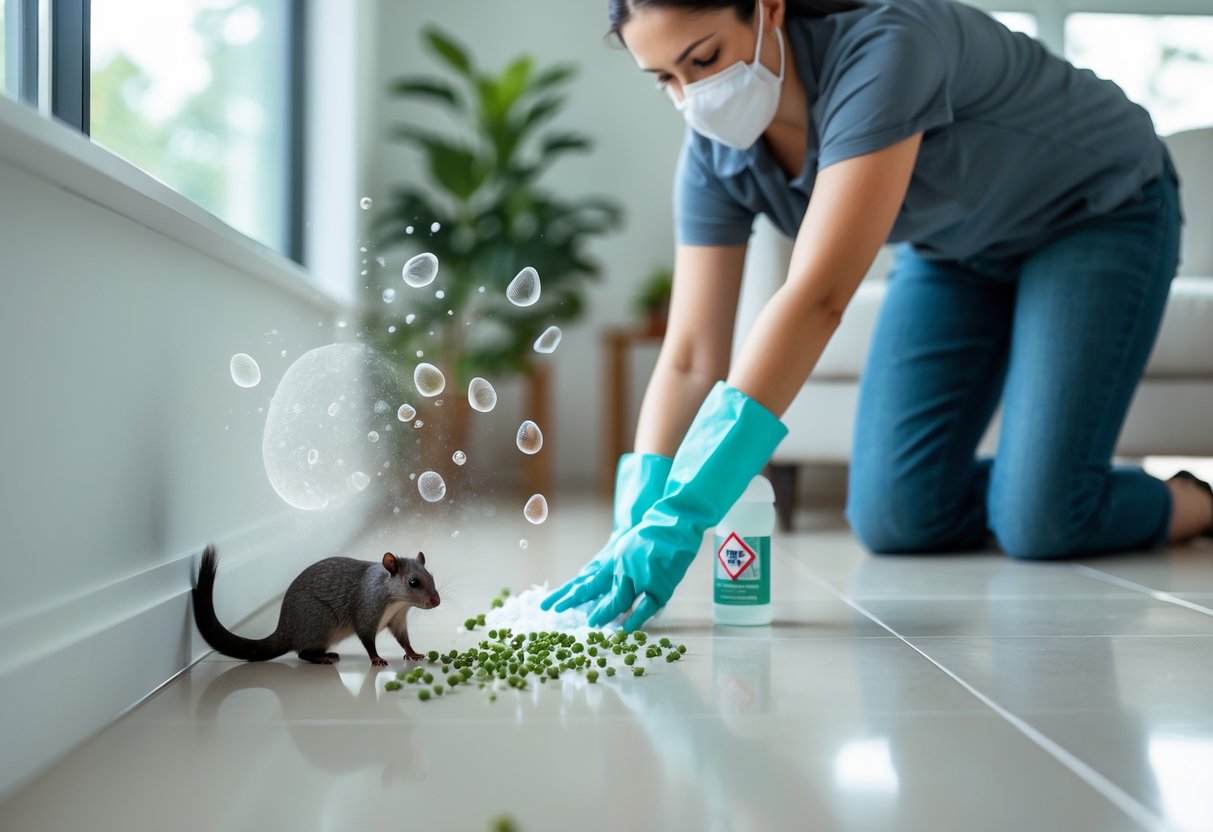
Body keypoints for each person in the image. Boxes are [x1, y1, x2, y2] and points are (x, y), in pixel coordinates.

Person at [542, 0, 1212, 630]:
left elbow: (818, 297)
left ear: (768, 7)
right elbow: (689, 353)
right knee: (896, 517)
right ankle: (1034, 484)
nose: (692, 97)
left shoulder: (887, 48)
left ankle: (1192, 500)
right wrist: (634, 517)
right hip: (954, 250)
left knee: (1043, 525)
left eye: (704, 57)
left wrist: (686, 511)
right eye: (663, 78)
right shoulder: (715, 159)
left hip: (1097, 213)